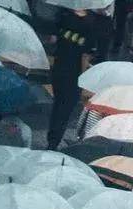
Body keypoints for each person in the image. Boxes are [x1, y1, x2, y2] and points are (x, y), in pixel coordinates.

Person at [48, 7, 97, 149]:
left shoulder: (63, 14)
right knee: (66, 109)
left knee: (57, 105)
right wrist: (83, 78)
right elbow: (85, 55)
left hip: (58, 68)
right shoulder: (90, 23)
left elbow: (52, 39)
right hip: (74, 73)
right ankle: (54, 142)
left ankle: (52, 137)